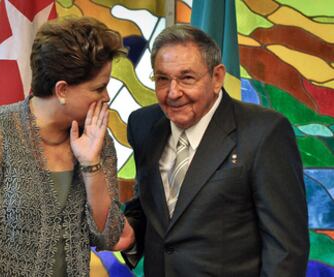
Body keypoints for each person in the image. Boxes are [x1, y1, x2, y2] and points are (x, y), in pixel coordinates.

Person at [0, 16, 126, 277]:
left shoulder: (99, 142)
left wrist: (91, 164)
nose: (106, 97)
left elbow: (108, 237)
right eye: (99, 88)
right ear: (62, 90)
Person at [119, 24, 309, 276]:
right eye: (162, 79)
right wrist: (127, 234)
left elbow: (286, 249)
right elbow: (149, 209)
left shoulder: (264, 132)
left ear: (217, 77)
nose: (173, 93)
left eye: (187, 78)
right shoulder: (142, 125)